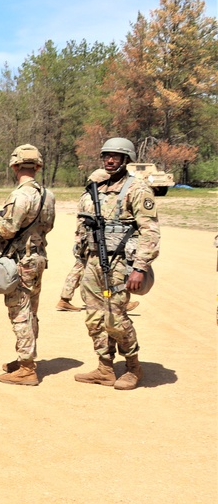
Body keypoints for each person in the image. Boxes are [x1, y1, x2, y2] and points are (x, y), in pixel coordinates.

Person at [73, 137, 159, 390]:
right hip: (93, 263)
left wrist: (140, 268)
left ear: (126, 159)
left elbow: (150, 232)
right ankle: (105, 367)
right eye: (107, 156)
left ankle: (133, 367)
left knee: (116, 318)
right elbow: (82, 224)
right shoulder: (95, 189)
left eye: (116, 156)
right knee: (93, 317)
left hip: (121, 264)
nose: (110, 160)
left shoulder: (137, 189)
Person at [0, 144, 56, 386]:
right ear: (38, 166)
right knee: (31, 310)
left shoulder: (20, 195)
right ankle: (24, 358)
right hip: (38, 257)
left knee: (19, 311)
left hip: (21, 259)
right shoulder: (48, 195)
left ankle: (27, 368)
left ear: (15, 166)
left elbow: (8, 229)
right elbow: (48, 226)